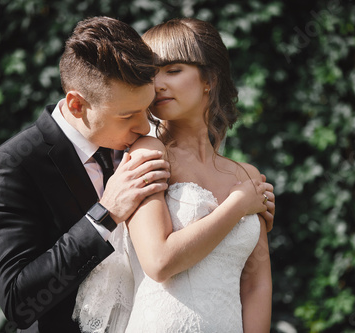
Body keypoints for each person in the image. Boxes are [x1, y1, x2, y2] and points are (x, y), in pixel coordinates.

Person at [74, 18, 274, 332]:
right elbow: (159, 262)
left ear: (209, 78)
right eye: (151, 73)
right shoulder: (148, 153)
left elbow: (256, 285)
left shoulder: (247, 176)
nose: (159, 84)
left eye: (173, 70)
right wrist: (237, 205)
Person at [0, 17, 171, 333]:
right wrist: (105, 214)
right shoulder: (9, 168)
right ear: (77, 105)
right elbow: (18, 303)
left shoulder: (149, 141)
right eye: (127, 115)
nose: (145, 126)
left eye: (146, 109)